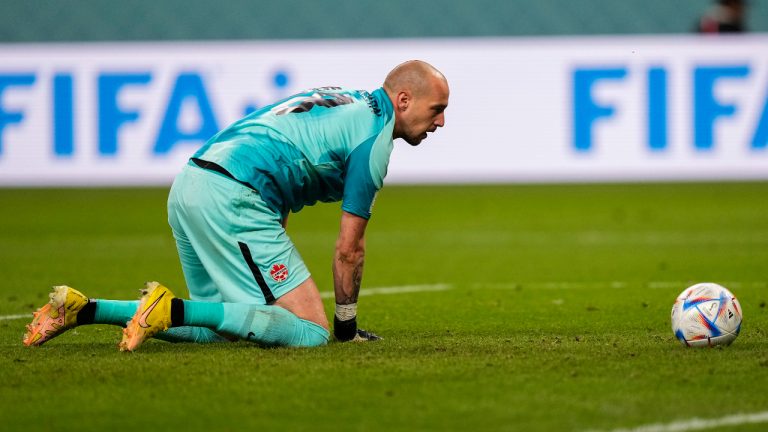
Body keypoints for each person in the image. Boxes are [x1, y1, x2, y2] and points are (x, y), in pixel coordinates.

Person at [23, 60, 450, 351]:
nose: (441, 122)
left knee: (219, 325)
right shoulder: (373, 140)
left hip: (191, 183)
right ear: (404, 100)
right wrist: (346, 329)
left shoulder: (340, 97)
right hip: (233, 196)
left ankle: (83, 308)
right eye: (438, 109)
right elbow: (348, 250)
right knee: (310, 333)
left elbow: (278, 152)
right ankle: (166, 308)